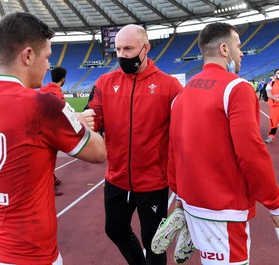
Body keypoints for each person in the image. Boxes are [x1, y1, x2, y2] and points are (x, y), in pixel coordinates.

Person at [0, 12, 106, 265]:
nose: (47, 66)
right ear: (28, 55)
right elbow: (99, 153)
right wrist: (78, 121)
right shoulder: (43, 105)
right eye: (47, 57)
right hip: (32, 254)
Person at [168, 22, 279, 265]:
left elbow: (174, 149)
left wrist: (180, 197)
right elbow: (251, 152)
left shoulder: (182, 93)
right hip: (225, 210)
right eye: (238, 46)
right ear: (224, 49)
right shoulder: (237, 88)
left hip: (193, 203)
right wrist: (276, 206)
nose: (241, 53)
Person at [85, 24, 183, 265]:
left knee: (154, 243)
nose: (121, 55)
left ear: (146, 48)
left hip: (153, 181)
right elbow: (93, 118)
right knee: (114, 229)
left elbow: (183, 134)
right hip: (116, 178)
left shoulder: (169, 86)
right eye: (117, 49)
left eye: (128, 49)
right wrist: (84, 121)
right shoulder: (105, 82)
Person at [40, 66, 68, 196]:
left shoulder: (42, 90)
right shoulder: (57, 94)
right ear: (62, 79)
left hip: (38, 129)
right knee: (49, 159)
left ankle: (51, 178)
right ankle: (48, 184)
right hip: (50, 131)